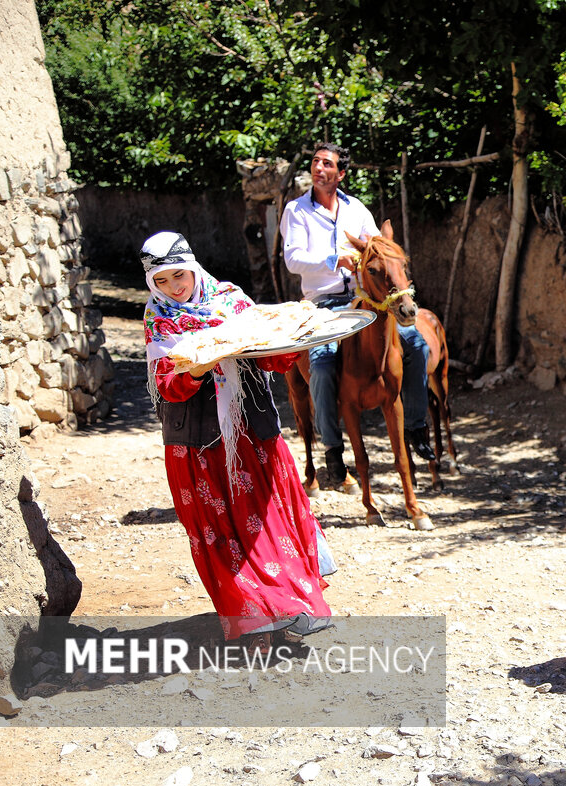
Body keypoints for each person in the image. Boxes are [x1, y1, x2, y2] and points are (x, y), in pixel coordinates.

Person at [142, 231, 333, 649]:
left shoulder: (231, 300)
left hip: (251, 434)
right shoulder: (158, 322)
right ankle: (253, 624)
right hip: (198, 445)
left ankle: (287, 611)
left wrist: (294, 342)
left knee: (266, 527)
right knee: (224, 534)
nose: (175, 287)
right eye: (162, 281)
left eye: (180, 275)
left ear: (193, 267)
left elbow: (270, 354)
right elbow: (167, 385)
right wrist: (194, 369)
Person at [280, 141, 435, 488]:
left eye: (327, 164)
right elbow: (292, 258)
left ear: (341, 173)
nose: (319, 169)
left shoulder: (357, 209)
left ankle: (415, 425)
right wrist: (334, 260)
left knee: (416, 345)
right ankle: (333, 450)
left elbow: (378, 249)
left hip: (365, 300)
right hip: (323, 304)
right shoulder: (296, 211)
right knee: (319, 365)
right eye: (315, 163)